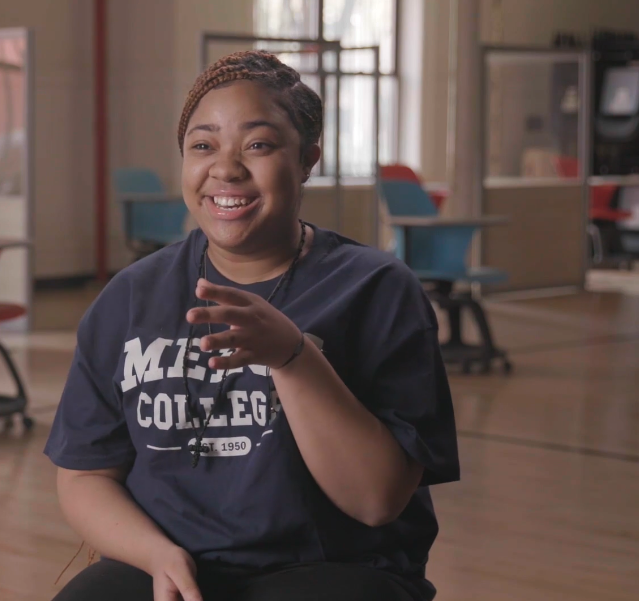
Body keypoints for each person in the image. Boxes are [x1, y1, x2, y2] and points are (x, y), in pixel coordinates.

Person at [44, 50, 459, 601]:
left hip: (332, 569)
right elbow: (85, 474)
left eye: (258, 145)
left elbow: (376, 500)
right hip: (169, 562)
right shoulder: (131, 296)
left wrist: (293, 358)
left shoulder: (376, 289)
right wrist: (156, 554)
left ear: (308, 159)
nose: (226, 168)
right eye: (203, 146)